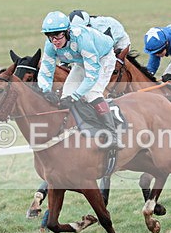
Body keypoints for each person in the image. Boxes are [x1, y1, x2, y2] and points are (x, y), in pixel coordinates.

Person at [37, 10, 121, 149]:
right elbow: (45, 72)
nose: (55, 41)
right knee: (65, 95)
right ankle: (75, 130)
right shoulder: (50, 45)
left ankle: (112, 134)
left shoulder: (83, 39)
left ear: (67, 32)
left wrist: (75, 97)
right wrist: (46, 90)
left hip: (103, 58)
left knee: (91, 93)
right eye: (50, 36)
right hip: (82, 61)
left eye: (58, 35)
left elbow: (92, 76)